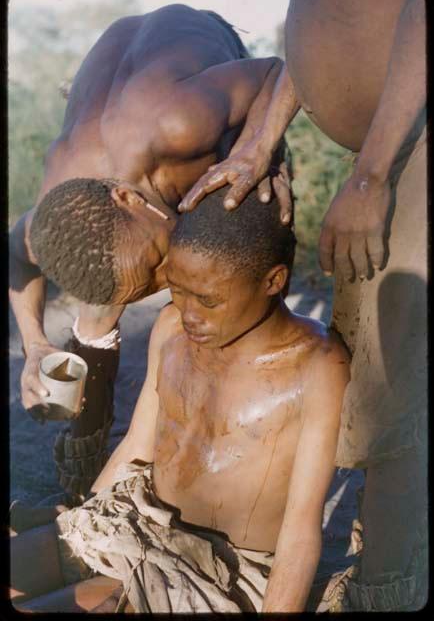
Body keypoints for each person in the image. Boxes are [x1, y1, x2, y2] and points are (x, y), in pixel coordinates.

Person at [180, 0, 427, 612]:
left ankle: (387, 590)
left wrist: (370, 177)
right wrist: (258, 141)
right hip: (380, 151)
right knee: (370, 366)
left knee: (390, 389)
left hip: (409, 148)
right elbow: (325, 29)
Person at [10, 183, 350, 613]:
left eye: (207, 300)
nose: (189, 315)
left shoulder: (318, 366)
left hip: (215, 568)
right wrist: (84, 519)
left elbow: (301, 530)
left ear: (273, 280)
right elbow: (136, 446)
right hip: (136, 518)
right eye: (178, 291)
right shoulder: (171, 327)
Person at [9, 4, 292, 503]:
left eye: (156, 264)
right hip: (117, 91)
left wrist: (257, 150)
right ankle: (85, 450)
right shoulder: (63, 196)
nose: (168, 277)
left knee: (225, 271)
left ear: (127, 198)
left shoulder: (182, 123)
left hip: (205, 82)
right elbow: (15, 253)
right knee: (96, 315)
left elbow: (281, 70)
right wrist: (34, 345)